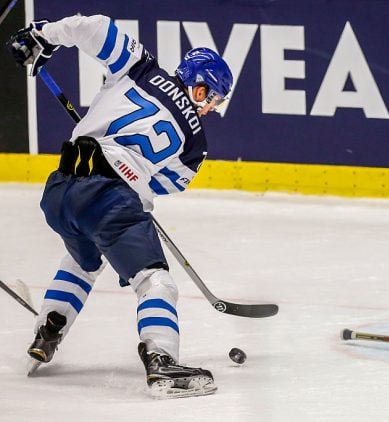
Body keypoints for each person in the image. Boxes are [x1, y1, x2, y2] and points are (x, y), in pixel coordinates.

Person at [8, 14, 233, 397]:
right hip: (111, 199)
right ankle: (162, 361)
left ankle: (47, 333)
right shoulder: (197, 145)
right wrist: (131, 187)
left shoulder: (139, 66)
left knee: (81, 261)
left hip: (61, 189)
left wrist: (42, 36)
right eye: (212, 97)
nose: (212, 108)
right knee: (155, 280)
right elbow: (165, 183)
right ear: (199, 89)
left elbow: (91, 26)